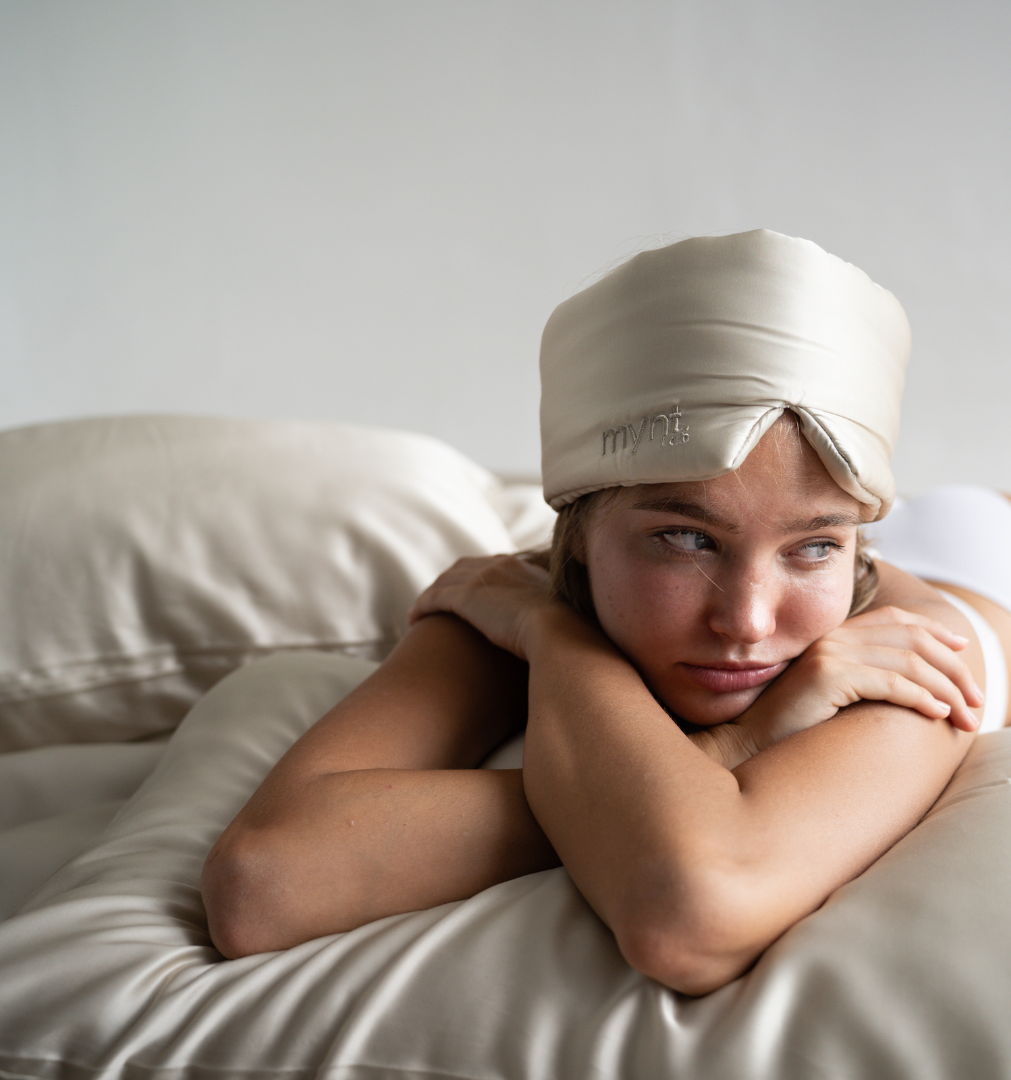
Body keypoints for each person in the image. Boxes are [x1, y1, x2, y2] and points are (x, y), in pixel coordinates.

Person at [201, 230, 1010, 996]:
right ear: (579, 533)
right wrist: (564, 642)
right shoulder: (518, 600)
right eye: (685, 538)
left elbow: (692, 913)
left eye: (816, 547)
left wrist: (636, 761)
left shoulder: (918, 653)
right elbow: (261, 886)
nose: (749, 622)